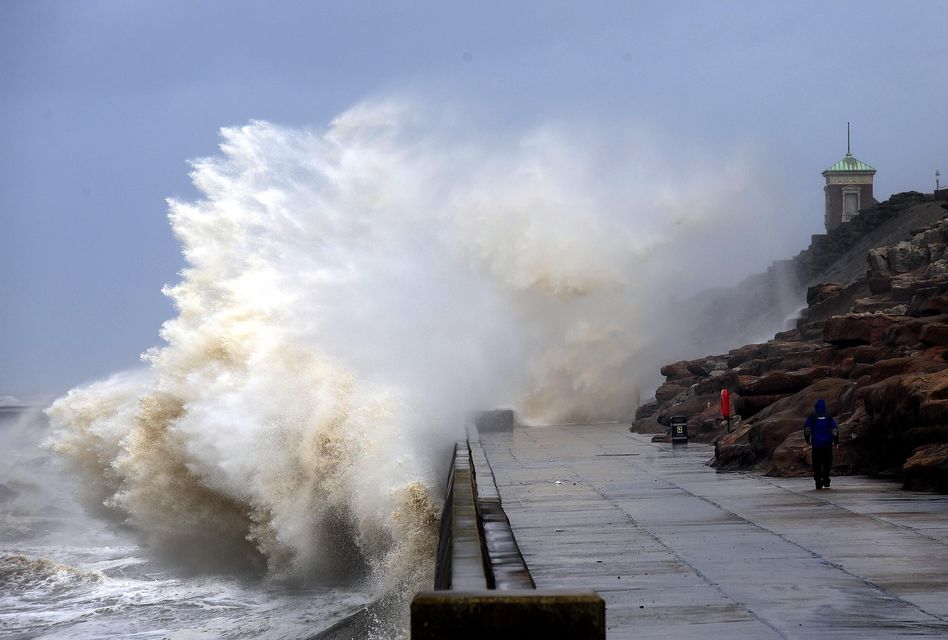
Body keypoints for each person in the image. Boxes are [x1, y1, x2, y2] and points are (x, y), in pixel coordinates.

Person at [804, 399, 839, 489]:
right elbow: (834, 429)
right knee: (827, 463)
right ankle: (826, 480)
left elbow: (807, 429)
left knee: (817, 463)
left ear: (816, 407)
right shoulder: (829, 417)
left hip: (817, 444)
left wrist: (807, 439)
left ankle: (818, 481)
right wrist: (836, 441)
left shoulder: (811, 417)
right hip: (827, 444)